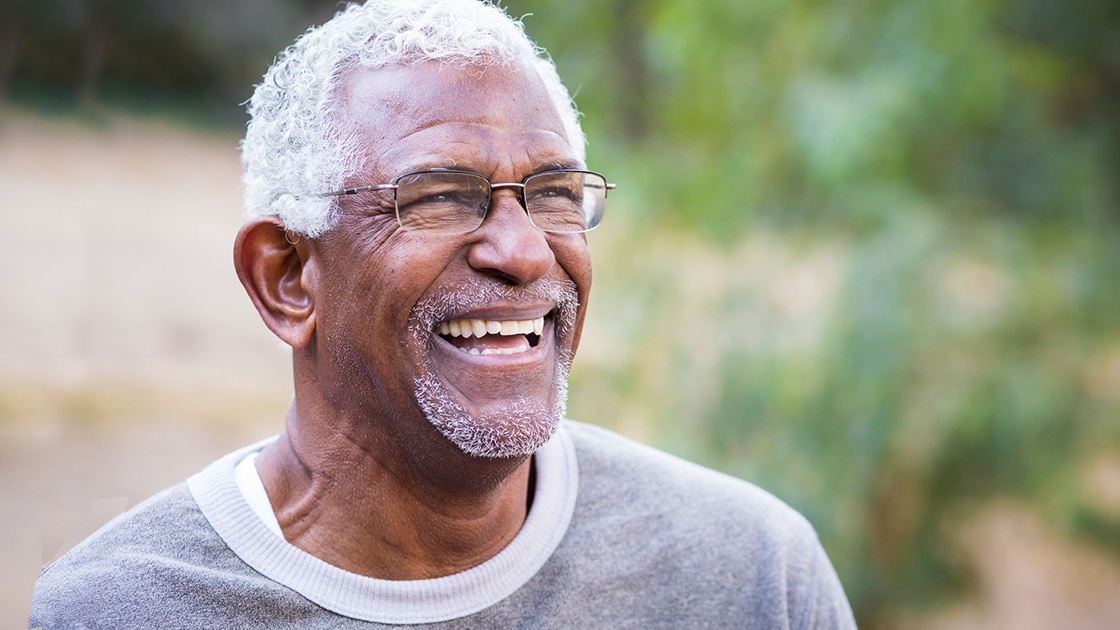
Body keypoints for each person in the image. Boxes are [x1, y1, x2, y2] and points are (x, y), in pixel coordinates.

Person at [30, 1, 856, 627]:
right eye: (439, 196)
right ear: (287, 278)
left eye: (555, 194)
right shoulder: (123, 607)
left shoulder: (750, 577)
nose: (525, 251)